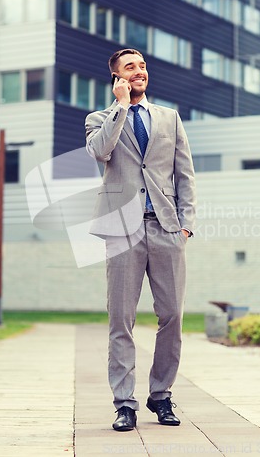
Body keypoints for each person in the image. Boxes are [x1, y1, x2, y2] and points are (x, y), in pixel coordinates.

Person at [85, 48, 196, 431]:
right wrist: (119, 108)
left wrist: (185, 225)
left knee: (173, 317)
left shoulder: (170, 118)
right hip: (121, 230)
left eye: (143, 65)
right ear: (116, 77)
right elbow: (101, 152)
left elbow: (185, 176)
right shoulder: (99, 119)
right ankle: (125, 404)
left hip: (166, 228)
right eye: (130, 67)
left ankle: (161, 395)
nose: (140, 72)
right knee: (122, 319)